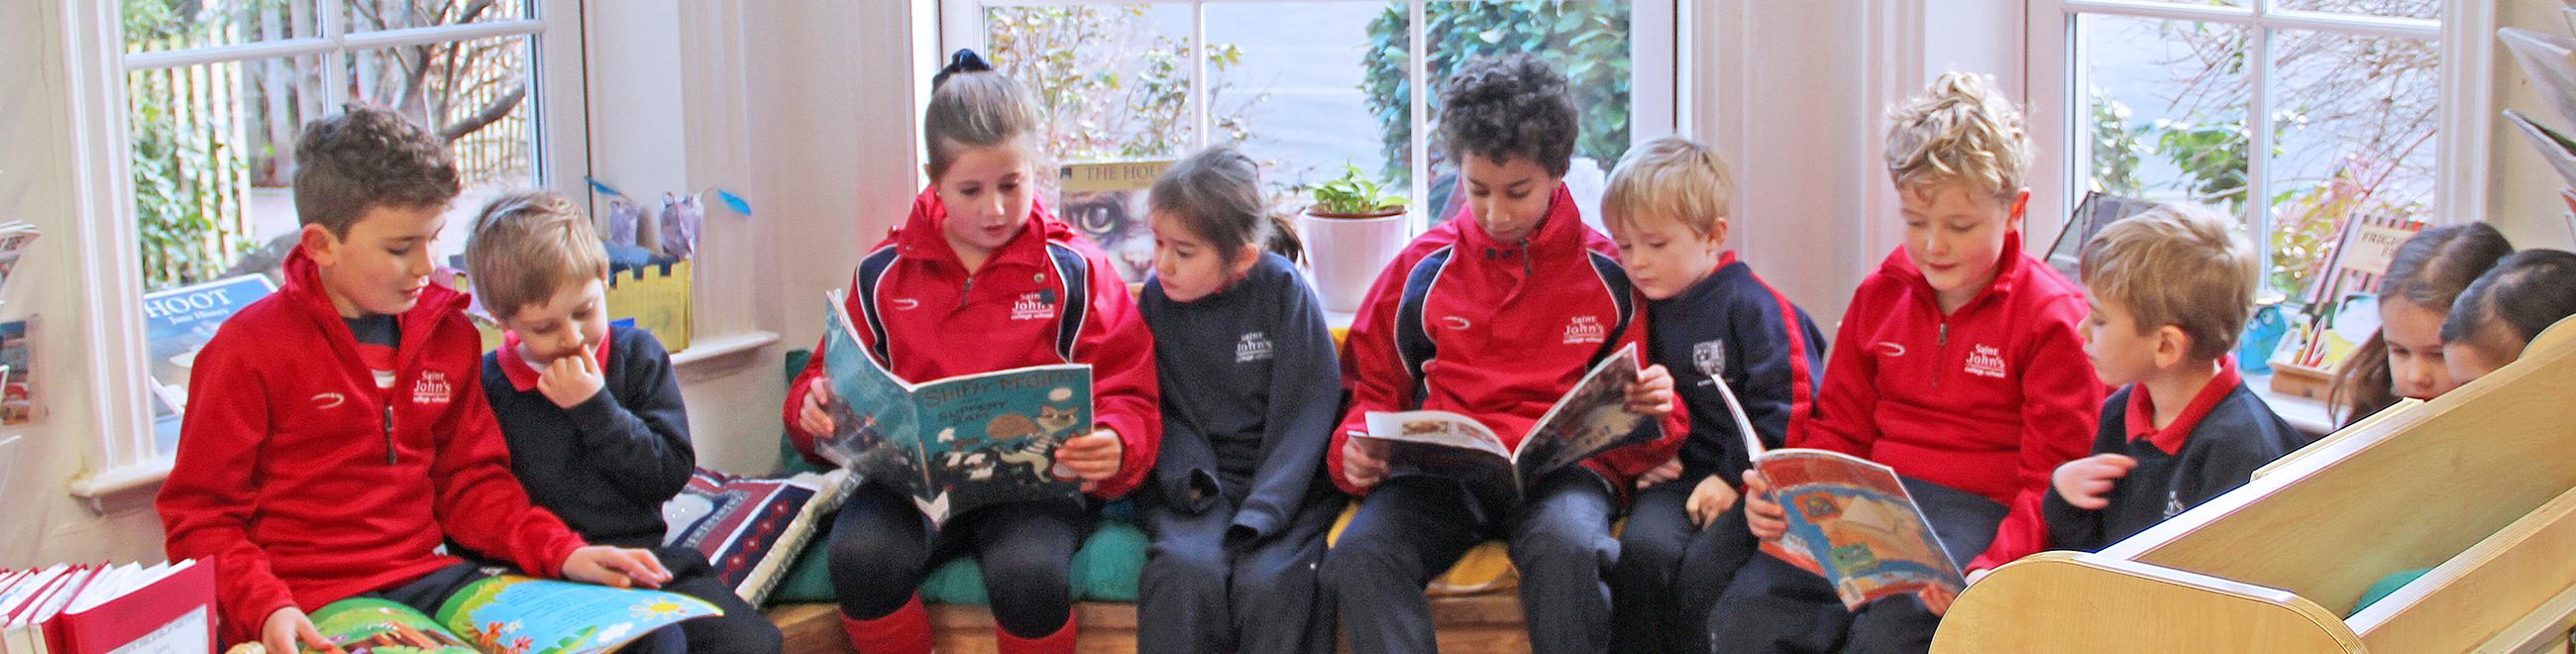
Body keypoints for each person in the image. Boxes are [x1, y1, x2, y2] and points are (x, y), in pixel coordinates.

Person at [157, 105, 668, 652]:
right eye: (401, 248)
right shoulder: (246, 351)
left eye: (433, 238)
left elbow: (471, 484)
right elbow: (201, 517)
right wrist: (265, 608)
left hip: (436, 580)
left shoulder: (448, 336)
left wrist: (563, 551)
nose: (427, 265)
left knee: (644, 642)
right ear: (321, 244)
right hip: (312, 601)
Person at [781, 50, 1161, 654]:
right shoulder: (884, 273)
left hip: (1033, 489)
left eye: (1013, 184)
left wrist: (1115, 440)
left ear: (1034, 169)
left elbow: (1130, 392)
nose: (996, 209)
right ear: (933, 179)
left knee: (1029, 575)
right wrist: (813, 406)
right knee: (859, 554)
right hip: (911, 489)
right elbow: (825, 379)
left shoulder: (1077, 271)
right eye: (971, 189)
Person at [1319, 53, 1684, 654]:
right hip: (1441, 476)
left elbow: (1645, 423)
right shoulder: (1422, 269)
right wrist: (1354, 449)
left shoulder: (1609, 274)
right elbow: (1373, 390)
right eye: (1477, 190)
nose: (1495, 213)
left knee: (1567, 549)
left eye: (1518, 191)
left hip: (1563, 477)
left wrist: (1657, 410)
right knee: (1362, 554)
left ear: (1559, 173)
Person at [465, 190, 783, 653]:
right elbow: (485, 502)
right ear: (499, 318)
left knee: (753, 643)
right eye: (545, 328)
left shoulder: (637, 355)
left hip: (644, 562)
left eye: (584, 311)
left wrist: (595, 408)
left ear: (602, 278)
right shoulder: (489, 385)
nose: (572, 339)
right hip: (546, 576)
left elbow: (668, 473)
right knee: (661, 646)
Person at [1597, 135, 1825, 654]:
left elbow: (1792, 408)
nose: (1638, 262)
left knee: (1704, 575)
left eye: (1656, 245)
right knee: (1642, 555)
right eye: (1625, 245)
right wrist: (1641, 457)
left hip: (1753, 485)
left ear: (1712, 235)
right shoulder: (1636, 307)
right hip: (1676, 480)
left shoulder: (1751, 305)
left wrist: (1731, 479)